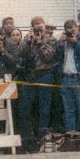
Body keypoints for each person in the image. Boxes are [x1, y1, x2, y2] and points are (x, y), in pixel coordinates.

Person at [18, 16, 56, 150]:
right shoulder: (28, 39)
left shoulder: (50, 40)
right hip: (30, 76)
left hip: (45, 74)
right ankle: (28, 137)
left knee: (44, 107)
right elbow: (21, 53)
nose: (39, 29)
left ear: (45, 26)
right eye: (36, 26)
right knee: (25, 107)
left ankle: (43, 135)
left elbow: (48, 57)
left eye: (41, 26)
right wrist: (29, 40)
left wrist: (40, 43)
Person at [56, 19, 80, 135]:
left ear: (77, 28)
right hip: (66, 78)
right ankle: (71, 135)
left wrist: (75, 42)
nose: (71, 33)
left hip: (79, 78)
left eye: (73, 29)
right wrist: (61, 43)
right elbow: (56, 56)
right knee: (68, 110)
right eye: (68, 30)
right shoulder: (63, 40)